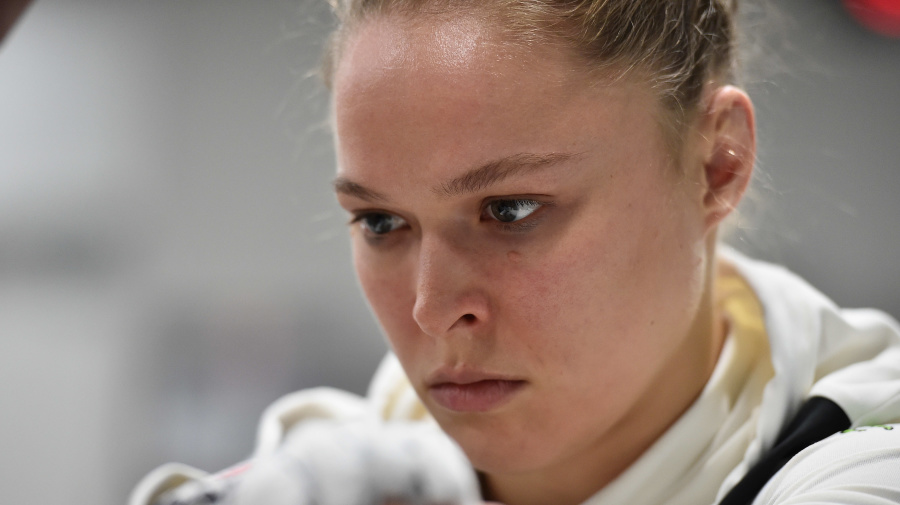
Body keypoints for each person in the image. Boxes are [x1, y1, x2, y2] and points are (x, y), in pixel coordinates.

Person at [131, 1, 900, 504]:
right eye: (381, 223)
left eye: (511, 210)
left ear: (715, 165)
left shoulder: (860, 460)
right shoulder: (341, 463)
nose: (433, 310)